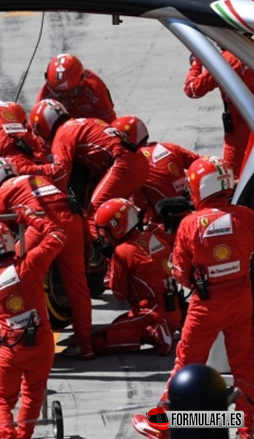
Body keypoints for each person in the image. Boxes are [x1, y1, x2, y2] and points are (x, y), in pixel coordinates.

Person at [132, 157, 254, 438]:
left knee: (185, 364)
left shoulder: (189, 225)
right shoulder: (247, 217)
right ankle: (248, 429)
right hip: (242, 300)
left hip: (206, 304)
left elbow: (180, 274)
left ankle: (161, 424)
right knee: (245, 367)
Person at [0, 158, 94, 360]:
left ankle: (8, 340)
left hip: (42, 225)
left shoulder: (2, 192)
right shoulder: (39, 180)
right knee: (78, 288)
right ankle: (85, 344)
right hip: (72, 221)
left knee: (8, 278)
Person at [0, 215, 66, 439]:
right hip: (43, 344)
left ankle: (7, 435)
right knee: (33, 395)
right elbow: (58, 234)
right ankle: (25, 435)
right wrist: (31, 217)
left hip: (12, 349)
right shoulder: (31, 263)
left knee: (0, 399)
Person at [29, 99, 149, 239]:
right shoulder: (84, 122)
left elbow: (60, 171)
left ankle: (91, 258)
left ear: (41, 127)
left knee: (93, 218)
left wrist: (26, 169)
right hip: (138, 163)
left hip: (122, 164)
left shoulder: (63, 135)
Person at [92, 198, 183, 356]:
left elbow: (119, 295)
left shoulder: (123, 251)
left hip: (152, 313)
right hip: (174, 309)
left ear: (117, 227)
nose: (104, 237)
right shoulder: (154, 237)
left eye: (105, 231)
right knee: (117, 324)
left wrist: (113, 262)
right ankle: (167, 325)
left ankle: (155, 331)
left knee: (97, 341)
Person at [111, 115, 200, 222]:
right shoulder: (170, 147)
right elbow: (200, 162)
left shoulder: (133, 164)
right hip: (194, 208)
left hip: (165, 222)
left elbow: (140, 205)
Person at [183, 51, 254, 178]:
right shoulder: (247, 48)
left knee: (232, 177)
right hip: (243, 124)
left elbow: (193, 89)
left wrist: (196, 63)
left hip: (239, 131)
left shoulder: (224, 61)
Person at [35, 54, 116, 123]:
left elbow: (109, 120)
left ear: (82, 80)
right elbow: (41, 129)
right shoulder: (45, 96)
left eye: (71, 93)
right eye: (59, 93)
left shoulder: (95, 88)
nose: (66, 100)